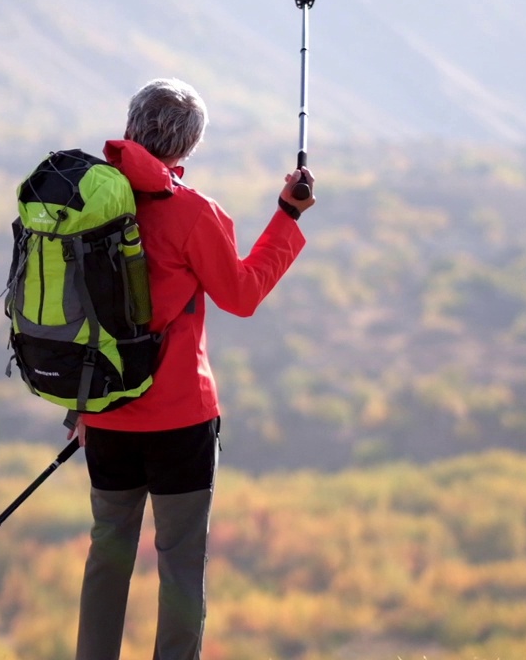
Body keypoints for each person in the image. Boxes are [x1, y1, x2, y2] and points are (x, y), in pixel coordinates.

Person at [71, 78, 315, 660]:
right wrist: (288, 215)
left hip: (104, 411)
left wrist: (80, 406)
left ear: (131, 126)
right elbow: (242, 294)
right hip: (179, 419)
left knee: (107, 553)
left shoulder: (83, 201)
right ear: (189, 146)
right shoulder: (193, 213)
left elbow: (73, 312)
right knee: (180, 563)